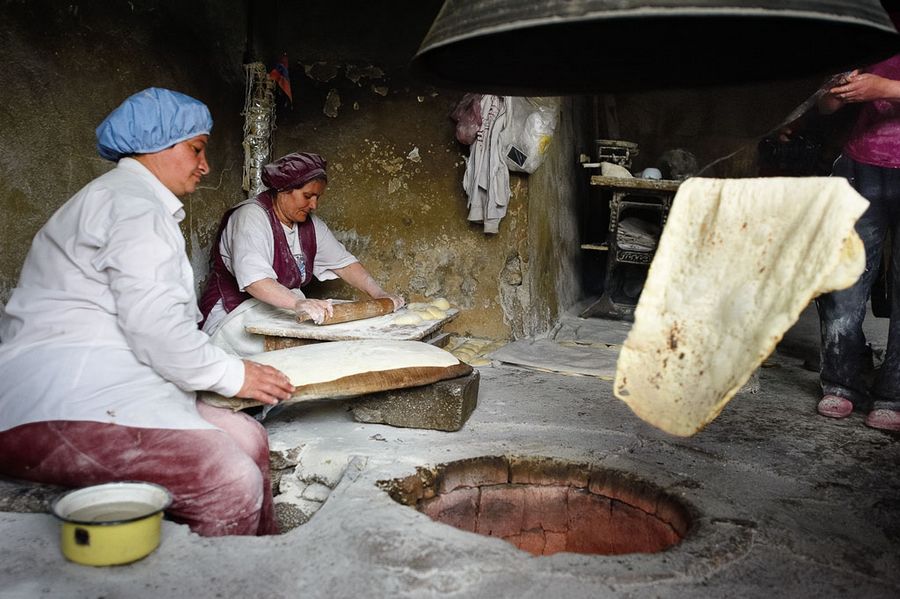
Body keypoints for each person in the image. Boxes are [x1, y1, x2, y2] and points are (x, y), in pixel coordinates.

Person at [0, 88, 295, 536]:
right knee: (228, 480)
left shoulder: (131, 201)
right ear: (158, 145)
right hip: (63, 403)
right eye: (196, 149)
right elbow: (157, 329)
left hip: (106, 389)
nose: (205, 165)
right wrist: (234, 374)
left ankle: (266, 559)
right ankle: (226, 571)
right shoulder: (132, 207)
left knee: (248, 436)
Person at [198, 151, 404, 356]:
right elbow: (256, 282)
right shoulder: (250, 217)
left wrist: (379, 294)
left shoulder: (310, 225)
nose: (314, 205)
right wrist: (298, 303)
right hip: (234, 317)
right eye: (307, 196)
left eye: (317, 197)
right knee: (303, 357)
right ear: (283, 190)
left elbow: (344, 264)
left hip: (278, 311)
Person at [815, 54, 900, 431]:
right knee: (844, 281)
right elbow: (826, 105)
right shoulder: (869, 31)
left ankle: (894, 395)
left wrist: (883, 88)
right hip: (860, 163)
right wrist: (837, 92)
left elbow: (881, 88)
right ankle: (841, 383)